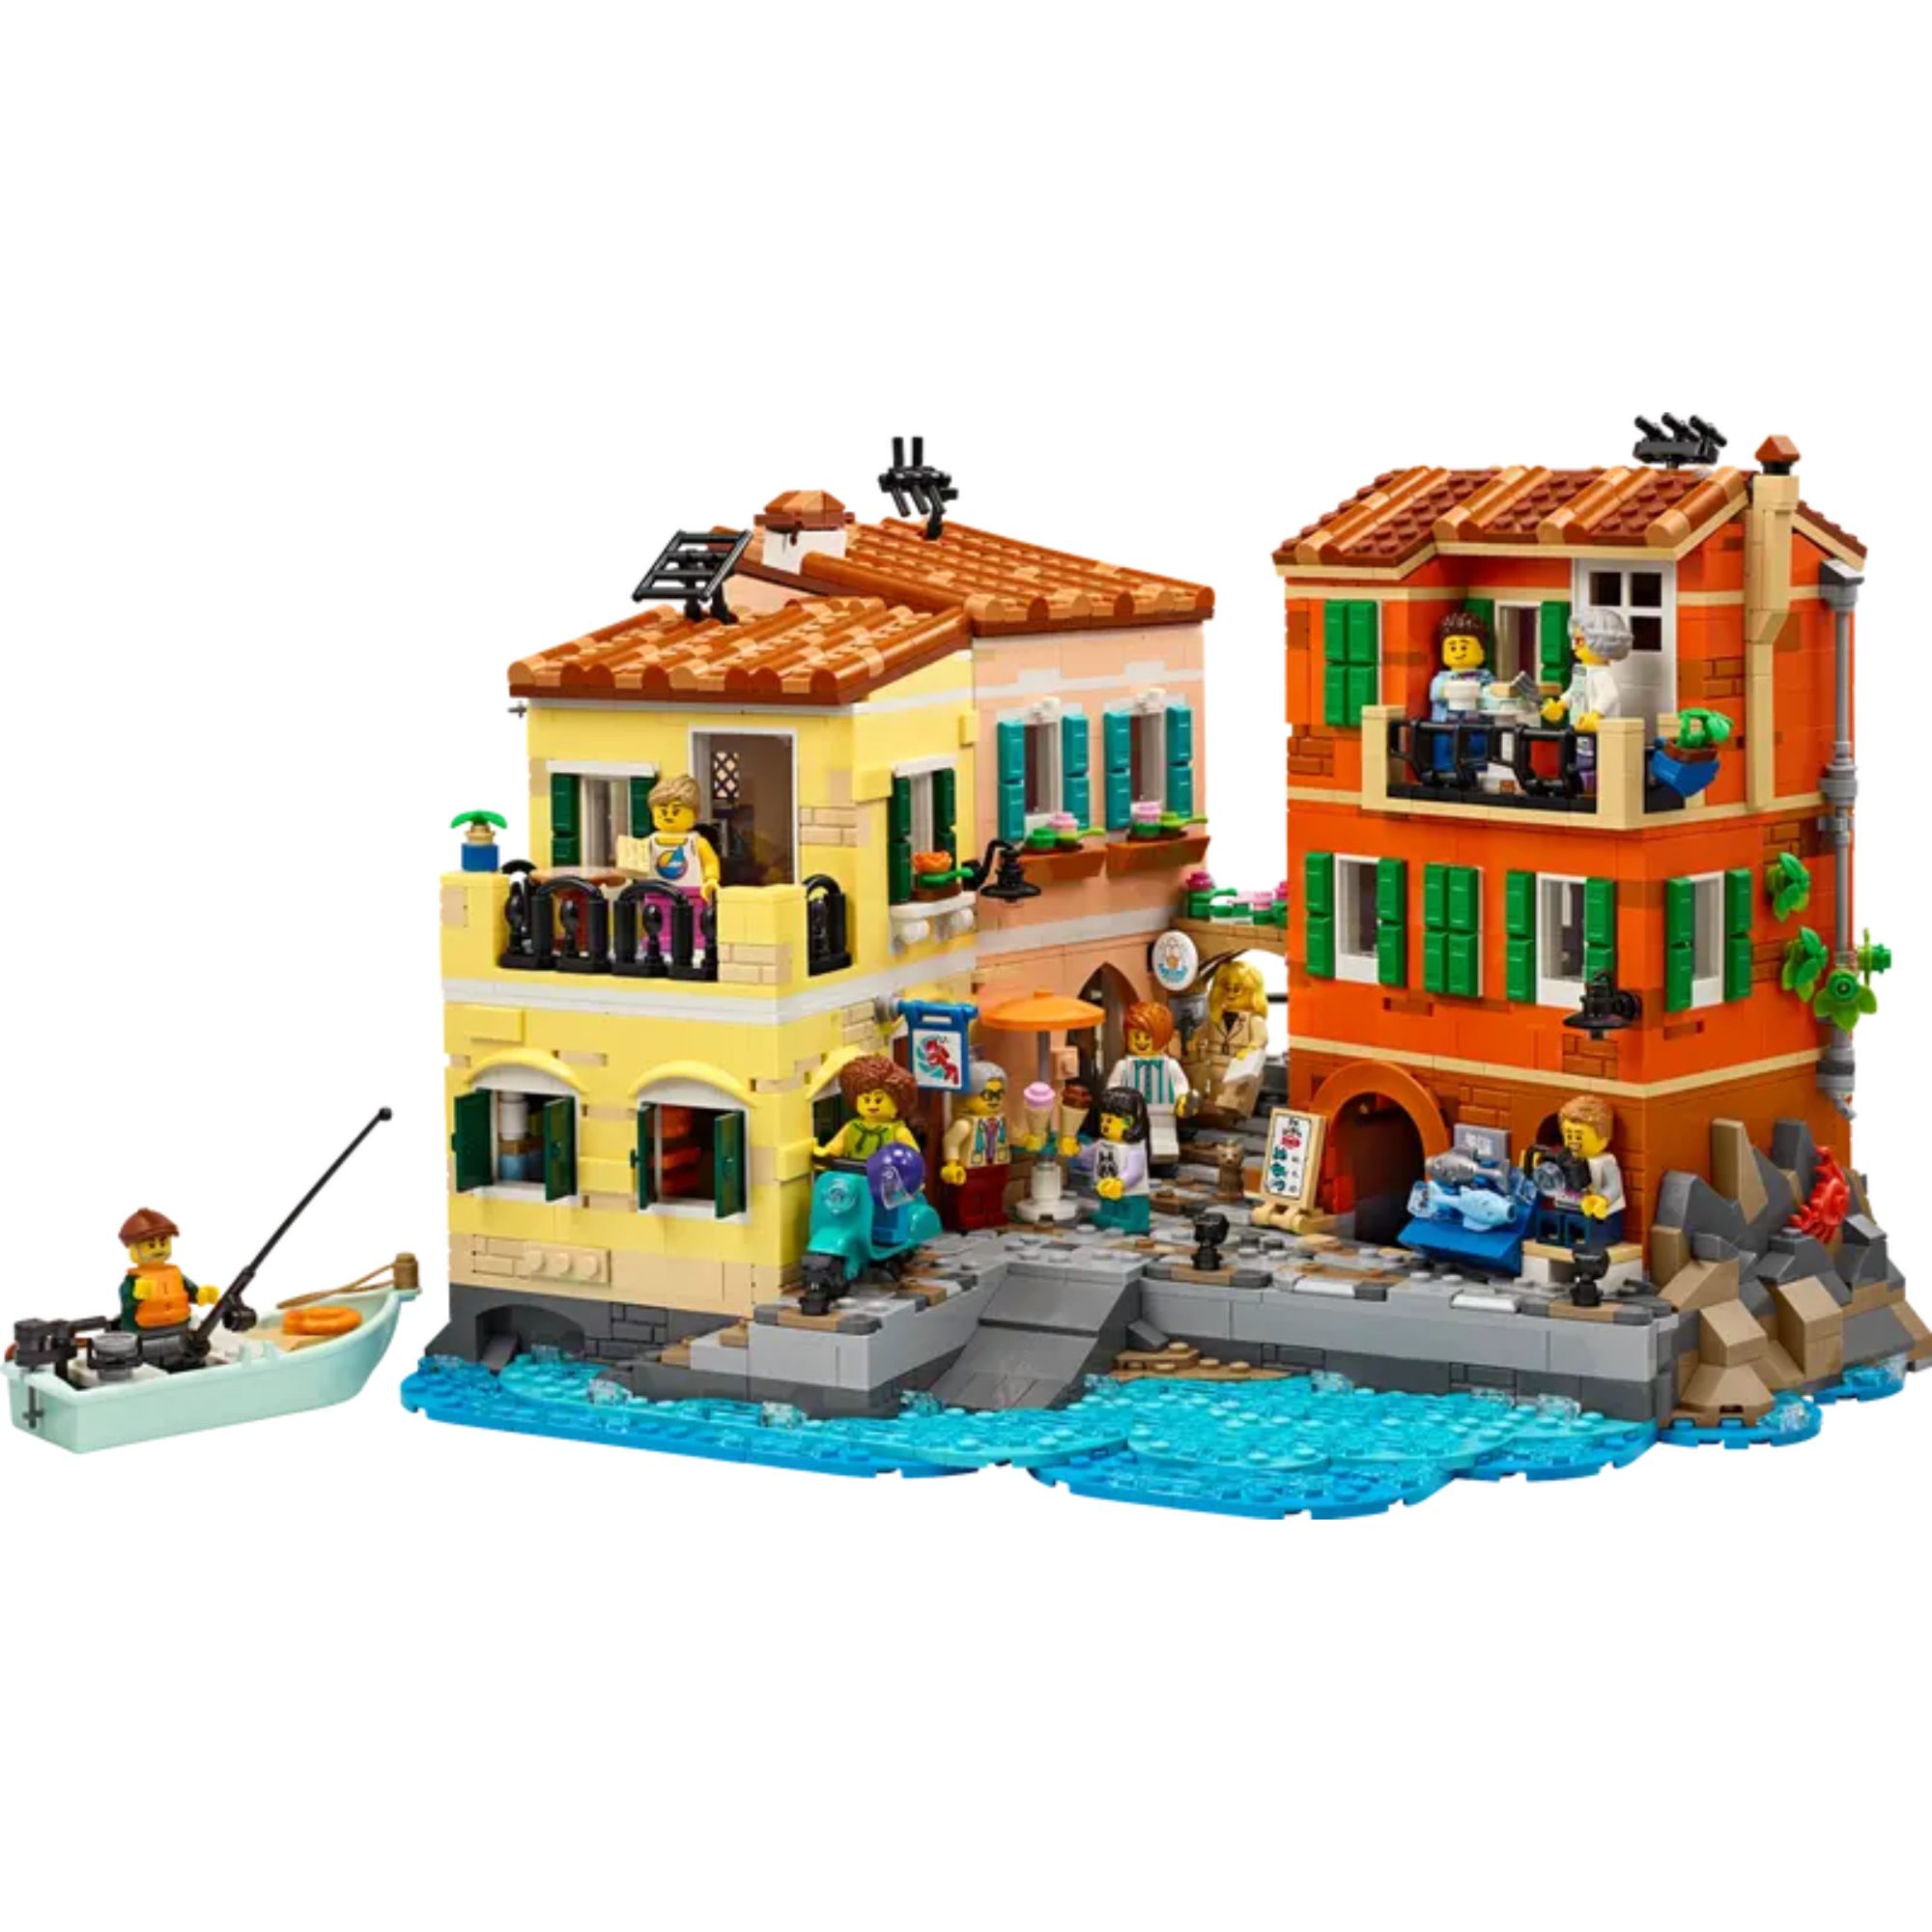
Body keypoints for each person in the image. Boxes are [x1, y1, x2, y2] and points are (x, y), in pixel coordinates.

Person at [1106, 1002, 1194, 1172]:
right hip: (1131, 1117)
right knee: (1132, 1148)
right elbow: (1112, 1089)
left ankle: (1163, 1169)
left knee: (1164, 1145)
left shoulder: (1171, 1066)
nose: (1141, 1042)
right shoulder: (1123, 1066)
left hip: (1163, 1113)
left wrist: (1182, 1100)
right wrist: (1116, 1105)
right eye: (1136, 1036)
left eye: (1147, 1037)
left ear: (1161, 1038)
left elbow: (1181, 1087)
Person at [1533, 1094, 1626, 1249]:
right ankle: (1558, 1236)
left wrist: (1602, 1199)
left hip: (1600, 1215)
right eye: (1569, 1135)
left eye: (1578, 1136)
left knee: (1590, 1230)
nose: (1573, 1141)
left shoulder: (1605, 1162)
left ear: (1603, 1139)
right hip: (1568, 1206)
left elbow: (1615, 1187)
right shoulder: (1564, 1157)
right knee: (1557, 1223)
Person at [116, 1208, 219, 1338]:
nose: (159, 1249)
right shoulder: (134, 1279)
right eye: (151, 1245)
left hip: (180, 1327)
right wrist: (136, 1295)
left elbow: (189, 1290)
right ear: (133, 1249)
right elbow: (126, 1299)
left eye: (163, 1243)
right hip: (144, 1332)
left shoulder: (174, 1274)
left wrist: (201, 1294)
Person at [1187, 961, 1268, 1123]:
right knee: (1206, 1084)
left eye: (1237, 989)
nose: (1231, 994)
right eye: (1227, 988)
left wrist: (1249, 1049)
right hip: (1214, 1064)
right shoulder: (1215, 1018)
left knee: (1231, 1099)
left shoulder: (1253, 1020)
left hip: (1236, 1067)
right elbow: (1202, 1032)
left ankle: (1231, 1117)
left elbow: (1261, 1039)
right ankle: (1205, 1111)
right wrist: (1195, 1040)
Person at [939, 1061, 1011, 1232]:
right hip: (972, 1169)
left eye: (999, 1095)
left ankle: (993, 1214)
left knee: (994, 1192)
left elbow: (1012, 1136)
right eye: (986, 1095)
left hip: (997, 1166)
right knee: (970, 1195)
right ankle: (969, 1218)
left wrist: (1028, 1138)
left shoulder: (1001, 1121)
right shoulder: (965, 1124)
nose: (994, 1100)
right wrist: (952, 1163)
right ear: (967, 1096)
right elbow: (951, 1141)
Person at [624, 772, 720, 901]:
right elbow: (633, 867)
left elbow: (710, 862)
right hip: (656, 894)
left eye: (676, 811)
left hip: (692, 895)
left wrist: (711, 878)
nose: (668, 816)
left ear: (694, 814)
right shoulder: (648, 842)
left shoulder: (697, 843)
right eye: (663, 811)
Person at [812, 1055, 921, 1163]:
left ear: (898, 1103)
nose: (872, 1106)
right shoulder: (851, 1127)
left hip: (885, 1172)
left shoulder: (898, 1132)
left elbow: (912, 1156)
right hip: (853, 1169)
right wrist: (827, 1153)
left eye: (878, 1100)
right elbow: (836, 1146)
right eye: (866, 1100)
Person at [1076, 1088, 1152, 1236]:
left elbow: (1135, 1172)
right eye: (1103, 1119)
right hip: (1106, 1188)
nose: (1104, 1124)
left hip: (1130, 1193)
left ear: (1128, 1122)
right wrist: (1076, 1150)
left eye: (1110, 1120)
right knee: (1108, 1204)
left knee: (1130, 1206)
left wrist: (1120, 1183)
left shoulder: (1134, 1148)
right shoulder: (1103, 1143)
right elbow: (1089, 1157)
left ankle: (1135, 1223)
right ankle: (1109, 1217)